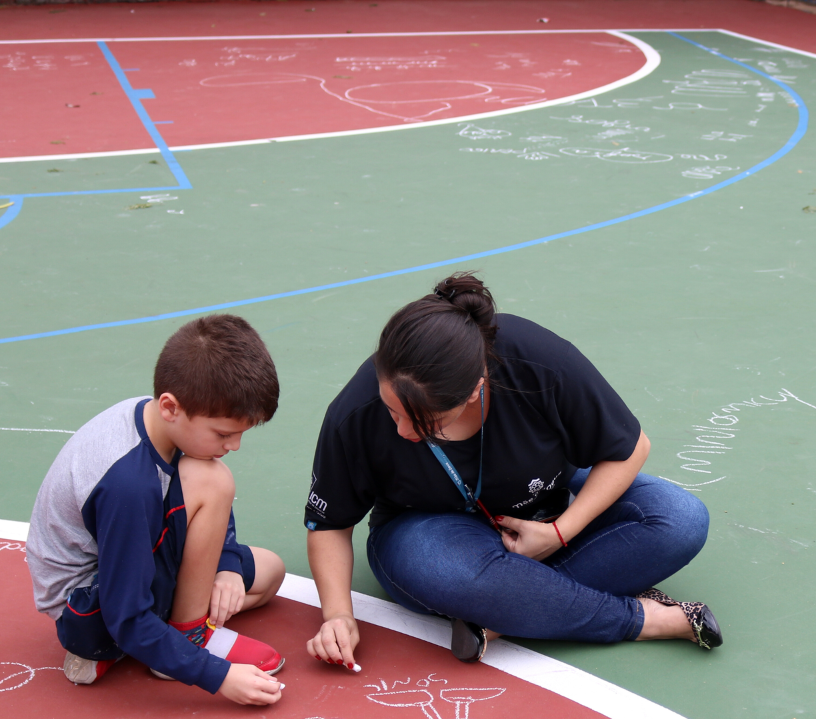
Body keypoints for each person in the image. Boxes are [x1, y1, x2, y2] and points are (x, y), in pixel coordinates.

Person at [303, 273, 720, 669]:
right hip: (428, 531)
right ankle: (640, 620)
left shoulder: (537, 358)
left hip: (549, 507)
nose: (403, 431)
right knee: (447, 573)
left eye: (427, 422)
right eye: (392, 410)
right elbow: (329, 525)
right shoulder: (353, 411)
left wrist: (561, 532)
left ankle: (503, 614)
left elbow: (631, 448)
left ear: (475, 390)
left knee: (680, 519)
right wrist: (338, 615)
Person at [27, 314, 286, 707]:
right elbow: (126, 616)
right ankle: (186, 638)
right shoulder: (128, 485)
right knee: (213, 481)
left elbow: (201, 513)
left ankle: (166, 635)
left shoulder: (160, 419)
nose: (234, 445)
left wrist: (228, 566)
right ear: (170, 407)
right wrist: (218, 676)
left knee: (269, 572)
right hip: (90, 611)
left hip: (126, 567)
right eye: (223, 433)